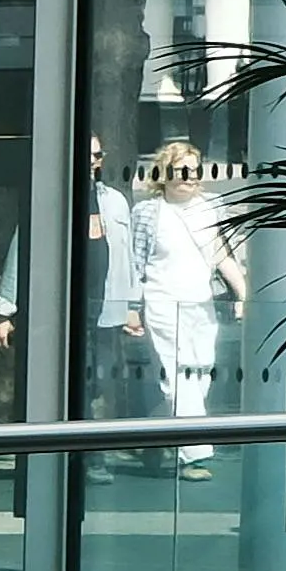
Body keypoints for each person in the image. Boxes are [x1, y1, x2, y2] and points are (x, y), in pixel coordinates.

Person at [98, 143, 236, 470]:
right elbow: (136, 262)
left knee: (200, 372)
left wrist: (242, 292)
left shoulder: (213, 206)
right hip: (161, 302)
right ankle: (196, 453)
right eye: (179, 170)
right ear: (164, 173)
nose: (187, 177)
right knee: (178, 377)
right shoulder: (147, 212)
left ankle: (152, 439)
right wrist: (133, 306)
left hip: (202, 304)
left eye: (193, 169)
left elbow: (220, 254)